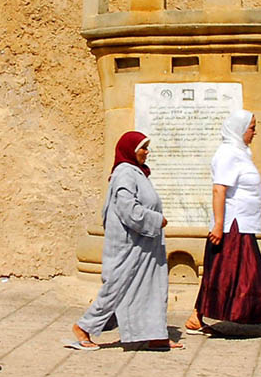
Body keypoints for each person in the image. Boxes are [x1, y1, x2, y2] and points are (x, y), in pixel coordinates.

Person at [185, 110, 261, 338]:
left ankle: (196, 317)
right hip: (233, 225)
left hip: (242, 223)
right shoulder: (227, 154)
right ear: (239, 130)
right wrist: (219, 225)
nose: (254, 133)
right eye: (252, 128)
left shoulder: (241, 154)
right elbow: (219, 190)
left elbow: (245, 189)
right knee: (252, 273)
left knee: (219, 272)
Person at [69, 131, 181, 351]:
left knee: (152, 288)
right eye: (143, 148)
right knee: (117, 287)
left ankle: (156, 335)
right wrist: (156, 220)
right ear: (131, 150)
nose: (147, 152)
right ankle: (84, 327)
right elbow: (127, 209)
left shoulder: (137, 173)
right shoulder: (125, 174)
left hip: (146, 244)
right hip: (131, 246)